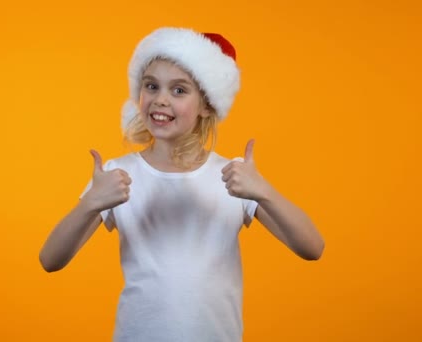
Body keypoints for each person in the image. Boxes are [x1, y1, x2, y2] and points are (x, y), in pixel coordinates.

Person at [39, 27, 324, 341]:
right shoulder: (116, 175)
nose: (161, 100)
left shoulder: (234, 176)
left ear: (206, 105)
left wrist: (264, 193)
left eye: (179, 90)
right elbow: (50, 260)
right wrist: (90, 202)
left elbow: (312, 248)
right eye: (152, 86)